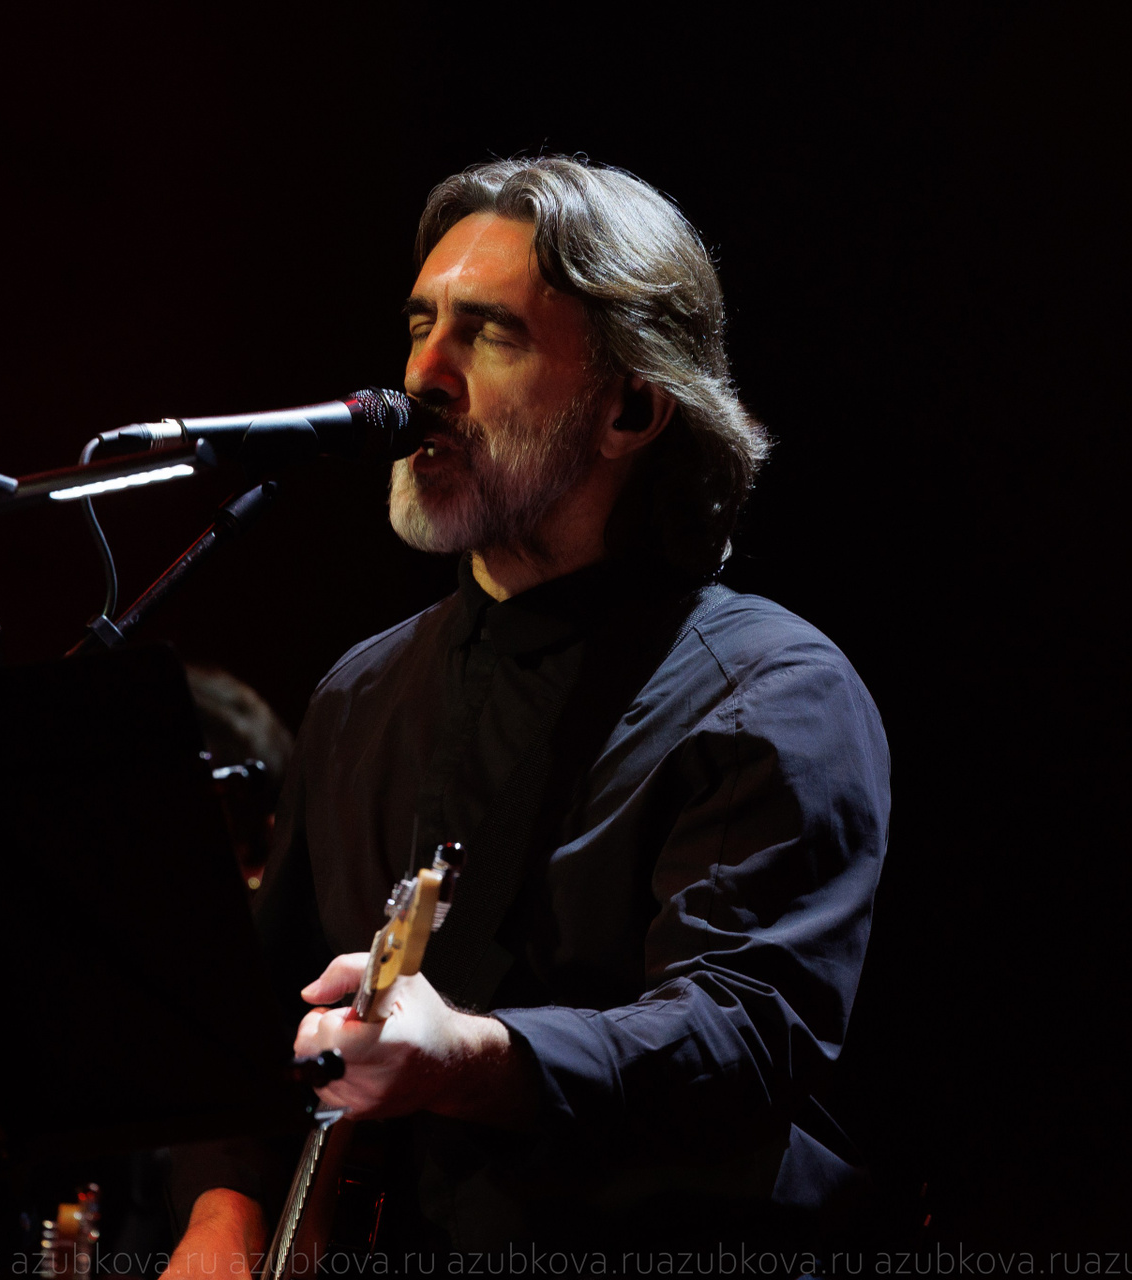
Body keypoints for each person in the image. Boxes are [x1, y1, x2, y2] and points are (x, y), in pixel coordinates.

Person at [162, 156, 891, 1275]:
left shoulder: (772, 689)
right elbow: (252, 1020)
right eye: (420, 325)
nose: (424, 373)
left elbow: (741, 1038)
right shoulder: (361, 694)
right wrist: (223, 1207)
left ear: (630, 408)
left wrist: (469, 1055)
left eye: (489, 333)